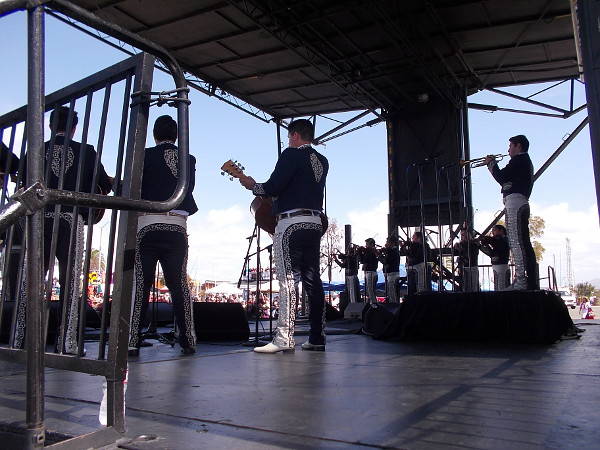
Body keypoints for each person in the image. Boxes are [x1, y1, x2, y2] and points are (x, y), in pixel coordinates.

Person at [16, 106, 113, 354]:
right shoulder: (86, 151)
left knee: (31, 280)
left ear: (49, 125)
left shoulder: (35, 150)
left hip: (39, 219)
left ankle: (19, 338)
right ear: (74, 128)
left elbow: (22, 187)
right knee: (71, 282)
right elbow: (104, 185)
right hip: (71, 219)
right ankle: (66, 341)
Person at [240, 119, 328, 353]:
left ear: (296, 135)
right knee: (313, 280)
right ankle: (317, 337)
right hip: (314, 222)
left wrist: (252, 185)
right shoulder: (322, 160)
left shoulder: (291, 155)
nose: (288, 141)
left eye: (289, 136)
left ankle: (284, 338)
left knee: (288, 280)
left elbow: (273, 187)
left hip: (292, 224)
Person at [128, 115, 198, 357]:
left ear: (154, 135)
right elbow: (188, 189)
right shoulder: (188, 158)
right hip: (177, 226)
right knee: (179, 285)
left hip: (148, 223)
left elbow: (131, 187)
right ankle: (188, 339)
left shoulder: (144, 155)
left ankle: (132, 340)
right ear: (177, 136)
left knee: (141, 284)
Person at [485, 135, 536, 290]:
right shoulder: (523, 161)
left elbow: (502, 177)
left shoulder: (519, 160)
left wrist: (491, 164)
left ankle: (521, 281)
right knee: (522, 241)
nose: (508, 150)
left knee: (516, 241)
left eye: (510, 146)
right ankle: (527, 279)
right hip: (517, 201)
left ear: (518, 146)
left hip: (515, 202)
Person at [479, 224, 511, 291]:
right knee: (500, 284)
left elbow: (493, 253)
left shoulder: (502, 240)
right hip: (499, 264)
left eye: (495, 230)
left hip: (501, 264)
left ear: (501, 231)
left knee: (501, 286)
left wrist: (486, 245)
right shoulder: (500, 240)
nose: (493, 232)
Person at [378, 236, 401, 302]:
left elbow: (386, 262)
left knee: (392, 292)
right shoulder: (390, 251)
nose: (386, 244)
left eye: (387, 242)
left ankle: (393, 305)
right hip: (389, 274)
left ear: (392, 243)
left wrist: (379, 256)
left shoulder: (394, 251)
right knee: (390, 292)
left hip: (392, 274)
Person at [357, 238, 379, 304]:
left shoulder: (373, 251)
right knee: (368, 289)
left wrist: (364, 251)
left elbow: (367, 259)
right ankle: (371, 302)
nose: (366, 246)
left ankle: (374, 303)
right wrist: (360, 253)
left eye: (367, 244)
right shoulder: (367, 252)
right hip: (367, 272)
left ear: (372, 244)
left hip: (371, 272)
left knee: (371, 290)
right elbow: (362, 261)